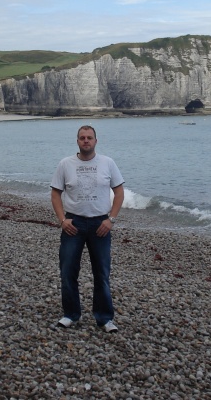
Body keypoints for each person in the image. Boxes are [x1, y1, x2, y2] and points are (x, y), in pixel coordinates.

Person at [50, 125, 124, 333]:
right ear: (77, 141)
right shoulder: (65, 164)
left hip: (100, 224)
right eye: (82, 138)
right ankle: (70, 315)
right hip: (73, 223)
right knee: (68, 271)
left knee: (101, 273)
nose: (86, 141)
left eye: (89, 138)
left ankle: (104, 318)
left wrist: (111, 219)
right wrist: (62, 220)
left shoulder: (108, 163)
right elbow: (56, 194)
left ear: (96, 141)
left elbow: (119, 192)